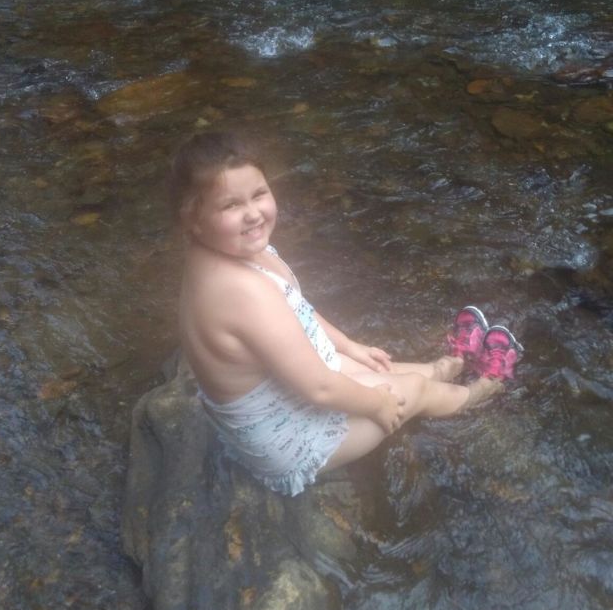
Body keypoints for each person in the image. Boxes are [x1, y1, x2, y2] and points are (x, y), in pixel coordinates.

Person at [169, 131, 523, 497]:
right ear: (191, 219)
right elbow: (319, 388)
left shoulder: (228, 250)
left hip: (283, 391)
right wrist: (379, 404)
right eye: (230, 205)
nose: (253, 214)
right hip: (289, 440)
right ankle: (479, 393)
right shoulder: (239, 292)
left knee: (380, 368)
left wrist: (350, 346)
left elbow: (297, 308)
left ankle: (448, 367)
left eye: (258, 194)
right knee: (410, 391)